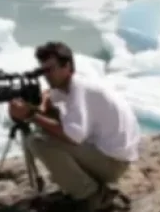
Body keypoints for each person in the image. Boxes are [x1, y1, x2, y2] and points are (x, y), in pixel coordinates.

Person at [8, 41, 140, 211]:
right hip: (112, 156)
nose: (46, 76)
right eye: (43, 70)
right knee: (45, 127)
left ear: (67, 66)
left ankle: (91, 195)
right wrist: (34, 106)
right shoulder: (70, 85)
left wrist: (31, 115)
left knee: (37, 141)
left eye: (50, 69)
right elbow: (49, 98)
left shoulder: (79, 88)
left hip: (114, 164)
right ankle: (83, 186)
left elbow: (74, 135)